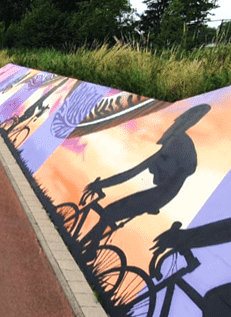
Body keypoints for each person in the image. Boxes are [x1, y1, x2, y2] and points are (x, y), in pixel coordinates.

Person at [78, 104, 211, 261]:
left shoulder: (181, 144)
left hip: (159, 196)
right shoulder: (172, 149)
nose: (175, 123)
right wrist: (102, 184)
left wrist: (101, 185)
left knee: (109, 212)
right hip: (160, 196)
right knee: (110, 214)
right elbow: (133, 172)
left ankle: (91, 250)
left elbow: (135, 172)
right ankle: (86, 246)